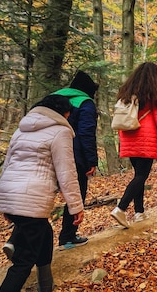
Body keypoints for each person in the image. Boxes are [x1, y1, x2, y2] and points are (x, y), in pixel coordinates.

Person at [0, 95, 84, 292]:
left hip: (10, 191)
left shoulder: (21, 129)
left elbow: (8, 165)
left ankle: (46, 286)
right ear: (63, 113)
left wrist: (6, 202)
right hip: (30, 196)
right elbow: (67, 172)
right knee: (23, 262)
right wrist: (76, 207)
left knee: (45, 233)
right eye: (69, 114)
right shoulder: (60, 131)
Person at [111, 62, 157, 227]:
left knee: (139, 175)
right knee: (141, 176)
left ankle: (139, 212)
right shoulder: (154, 93)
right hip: (145, 137)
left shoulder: (126, 92)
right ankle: (121, 208)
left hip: (128, 136)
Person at [52, 70, 99, 250]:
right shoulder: (85, 103)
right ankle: (68, 237)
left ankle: (16, 241)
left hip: (45, 155)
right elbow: (86, 133)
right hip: (74, 157)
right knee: (77, 193)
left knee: (39, 197)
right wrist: (91, 160)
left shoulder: (52, 99)